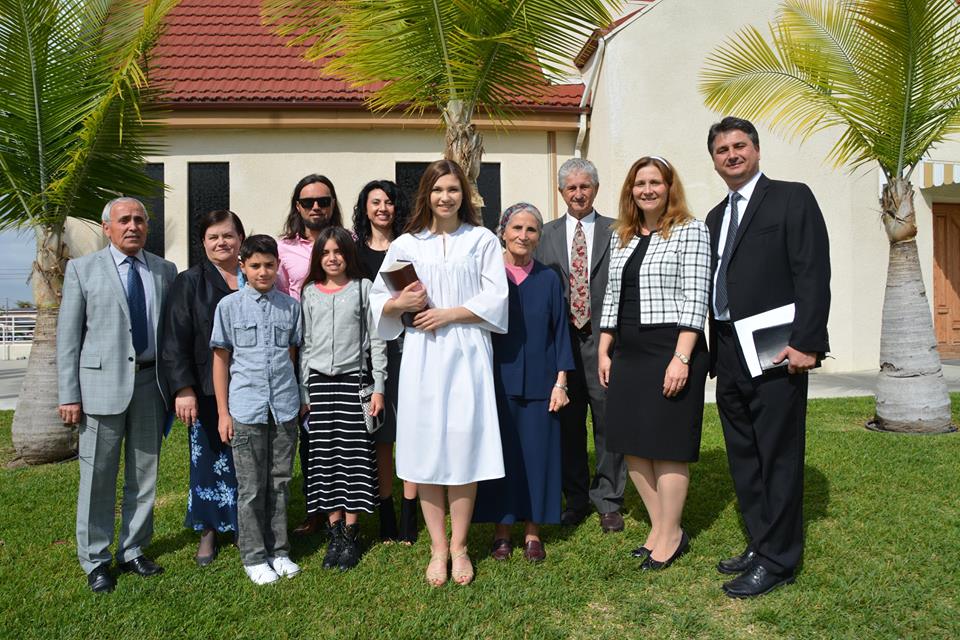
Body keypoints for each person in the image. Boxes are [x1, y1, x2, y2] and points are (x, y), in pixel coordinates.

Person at [705, 117, 830, 597]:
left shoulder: (791, 198)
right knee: (744, 454)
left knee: (777, 455)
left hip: (776, 348)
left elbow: (812, 271)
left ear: (756, 151)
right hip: (728, 348)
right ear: (714, 160)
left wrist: (807, 342)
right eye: (722, 150)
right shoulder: (715, 216)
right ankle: (761, 542)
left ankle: (779, 561)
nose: (732, 155)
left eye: (740, 146)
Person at [370, 159, 509, 586]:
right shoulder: (407, 244)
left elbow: (496, 297)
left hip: (467, 351)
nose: (445, 197)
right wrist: (400, 304)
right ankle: (437, 547)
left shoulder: (482, 240)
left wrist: (448, 314)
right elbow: (378, 299)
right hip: (423, 355)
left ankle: (461, 546)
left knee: (464, 445)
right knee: (427, 447)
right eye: (437, 190)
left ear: (464, 194)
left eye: (452, 189)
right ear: (425, 195)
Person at [57, 197, 178, 594]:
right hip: (99, 389)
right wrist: (69, 395)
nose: (133, 226)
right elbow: (68, 339)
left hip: (150, 386)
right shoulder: (82, 269)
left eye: (139, 220)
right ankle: (95, 559)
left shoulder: (164, 270)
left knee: (144, 475)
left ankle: (133, 549)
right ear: (107, 227)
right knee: (97, 478)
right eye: (124, 220)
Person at [597, 157, 711, 571]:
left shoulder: (691, 230)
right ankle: (661, 527)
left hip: (670, 346)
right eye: (639, 183)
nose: (647, 190)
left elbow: (696, 296)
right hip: (628, 350)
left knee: (666, 446)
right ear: (631, 190)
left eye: (655, 182)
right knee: (632, 444)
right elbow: (612, 295)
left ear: (668, 187)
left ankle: (671, 533)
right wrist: (604, 348)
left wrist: (681, 358)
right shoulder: (623, 235)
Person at [473, 203, 574, 562]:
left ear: (539, 236)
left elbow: (560, 333)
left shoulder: (548, 279)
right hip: (495, 382)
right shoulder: (487, 277)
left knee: (538, 459)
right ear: (502, 232)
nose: (523, 235)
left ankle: (533, 532)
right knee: (501, 457)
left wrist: (561, 382)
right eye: (516, 228)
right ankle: (501, 531)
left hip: (541, 385)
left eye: (531, 229)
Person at [535, 158, 627, 533]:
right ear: (561, 192)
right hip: (561, 345)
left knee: (608, 421)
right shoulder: (544, 235)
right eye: (571, 187)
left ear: (596, 189)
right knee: (568, 425)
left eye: (584, 186)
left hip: (605, 341)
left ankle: (608, 499)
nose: (578, 193)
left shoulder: (619, 231)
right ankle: (575, 498)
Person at [210, 234, 303, 586]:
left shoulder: (290, 307)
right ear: (243, 267)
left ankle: (279, 551)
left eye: (269, 265)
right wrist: (223, 413)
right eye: (255, 266)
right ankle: (253, 556)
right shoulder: (228, 307)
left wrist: (296, 399)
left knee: (280, 483)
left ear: (278, 265)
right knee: (250, 487)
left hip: (283, 408)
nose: (263, 272)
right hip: (246, 409)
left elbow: (291, 357)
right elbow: (221, 361)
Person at [160, 210, 246, 566]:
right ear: (203, 243)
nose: (221, 242)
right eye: (213, 237)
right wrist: (183, 388)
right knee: (209, 460)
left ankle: (245, 524)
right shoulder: (190, 281)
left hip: (252, 387)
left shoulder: (254, 275)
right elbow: (174, 338)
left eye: (228, 235)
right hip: (207, 388)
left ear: (240, 238)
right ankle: (209, 530)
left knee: (247, 459)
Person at [299, 226, 387, 571]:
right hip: (319, 386)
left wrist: (379, 386)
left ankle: (351, 533)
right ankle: (334, 532)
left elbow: (377, 341)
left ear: (348, 255)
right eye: (325, 253)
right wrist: (305, 391)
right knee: (325, 459)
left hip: (354, 382)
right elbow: (306, 344)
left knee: (353, 458)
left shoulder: (363, 288)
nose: (332, 258)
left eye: (338, 252)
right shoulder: (309, 293)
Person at [351, 179, 419, 544]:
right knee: (380, 434)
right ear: (365, 208)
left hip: (411, 345)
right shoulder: (354, 253)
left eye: (389, 202)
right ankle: (386, 509)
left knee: (409, 429)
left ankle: (410, 510)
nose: (382, 208)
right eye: (375, 202)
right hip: (368, 352)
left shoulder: (409, 247)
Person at [277, 174, 344, 300]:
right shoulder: (283, 248)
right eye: (307, 203)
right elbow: (281, 294)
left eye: (323, 202)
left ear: (333, 203)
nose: (316, 207)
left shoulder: (351, 242)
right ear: (298, 206)